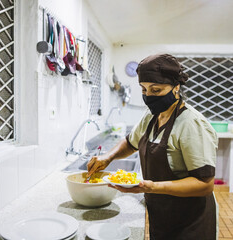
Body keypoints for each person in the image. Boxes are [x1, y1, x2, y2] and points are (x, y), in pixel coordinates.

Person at [86, 53, 218, 240]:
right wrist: (108, 157)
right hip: (162, 216)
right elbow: (130, 142)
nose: (148, 96)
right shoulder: (152, 117)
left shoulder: (191, 124)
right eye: (144, 89)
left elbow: (205, 184)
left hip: (190, 222)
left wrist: (152, 187)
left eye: (156, 90)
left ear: (176, 88)